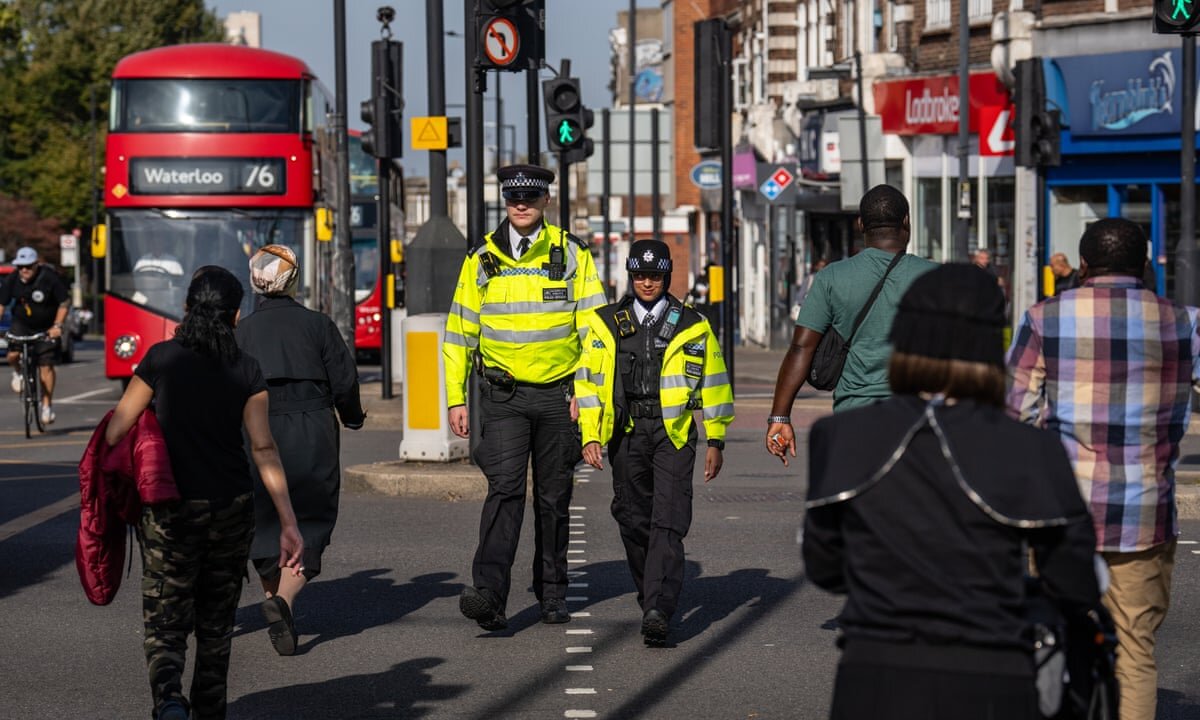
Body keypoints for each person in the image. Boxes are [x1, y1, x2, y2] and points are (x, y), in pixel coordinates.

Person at [804, 263, 1100, 719]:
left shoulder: (841, 435)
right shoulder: (1031, 447)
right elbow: (1075, 579)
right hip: (992, 673)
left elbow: (825, 567)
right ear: (991, 346)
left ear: (903, 339)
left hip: (874, 672)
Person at [1007, 217, 1198, 720]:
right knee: (1135, 650)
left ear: (1084, 265)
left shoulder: (1044, 318)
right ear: (1144, 265)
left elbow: (1014, 415)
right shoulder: (1186, 322)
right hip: (1145, 513)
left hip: (1061, 514)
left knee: (1054, 639)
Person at [104, 266, 303, 720]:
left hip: (170, 509)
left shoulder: (160, 359)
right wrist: (288, 521)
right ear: (236, 316)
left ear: (187, 307)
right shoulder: (247, 368)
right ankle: (209, 711)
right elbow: (263, 448)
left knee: (166, 619)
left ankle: (169, 702)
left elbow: (117, 430)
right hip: (231, 506)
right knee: (216, 627)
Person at [443, 163, 606, 630]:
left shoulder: (573, 254)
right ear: (504, 201)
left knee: (553, 500)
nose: (521, 205)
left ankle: (552, 593)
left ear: (545, 201)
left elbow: (595, 333)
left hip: (559, 397)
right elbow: (459, 332)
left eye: (530, 198)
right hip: (503, 397)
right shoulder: (481, 258)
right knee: (505, 491)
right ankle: (489, 595)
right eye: (513, 197)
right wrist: (456, 398)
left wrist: (586, 392)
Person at [575, 239, 734, 645]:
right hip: (626, 431)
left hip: (673, 432)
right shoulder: (605, 322)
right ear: (631, 275)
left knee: (669, 517)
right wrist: (590, 434)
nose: (648, 282)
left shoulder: (693, 324)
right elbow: (589, 383)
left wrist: (716, 437)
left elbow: (714, 382)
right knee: (632, 518)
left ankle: (658, 607)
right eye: (641, 275)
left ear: (667, 276)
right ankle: (650, 592)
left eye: (656, 276)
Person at [235, 245, 365, 656]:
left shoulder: (241, 331)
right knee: (312, 513)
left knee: (263, 516)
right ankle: (284, 600)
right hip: (312, 426)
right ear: (294, 279)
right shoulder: (318, 325)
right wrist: (352, 416)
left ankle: (276, 599)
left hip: (256, 426)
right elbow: (344, 380)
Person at [765, 185, 936, 465]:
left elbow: (801, 348)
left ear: (860, 224)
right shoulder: (935, 277)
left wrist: (780, 417)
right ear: (906, 221)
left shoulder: (831, 277)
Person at [0, 246, 69, 425]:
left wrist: (57, 325)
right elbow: (1, 304)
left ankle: (46, 406)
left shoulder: (49, 278)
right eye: (20, 266)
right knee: (12, 355)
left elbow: (64, 303)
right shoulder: (12, 279)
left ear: (36, 264)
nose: (24, 270)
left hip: (46, 326)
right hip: (21, 324)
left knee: (46, 366)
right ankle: (18, 373)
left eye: (28, 266)